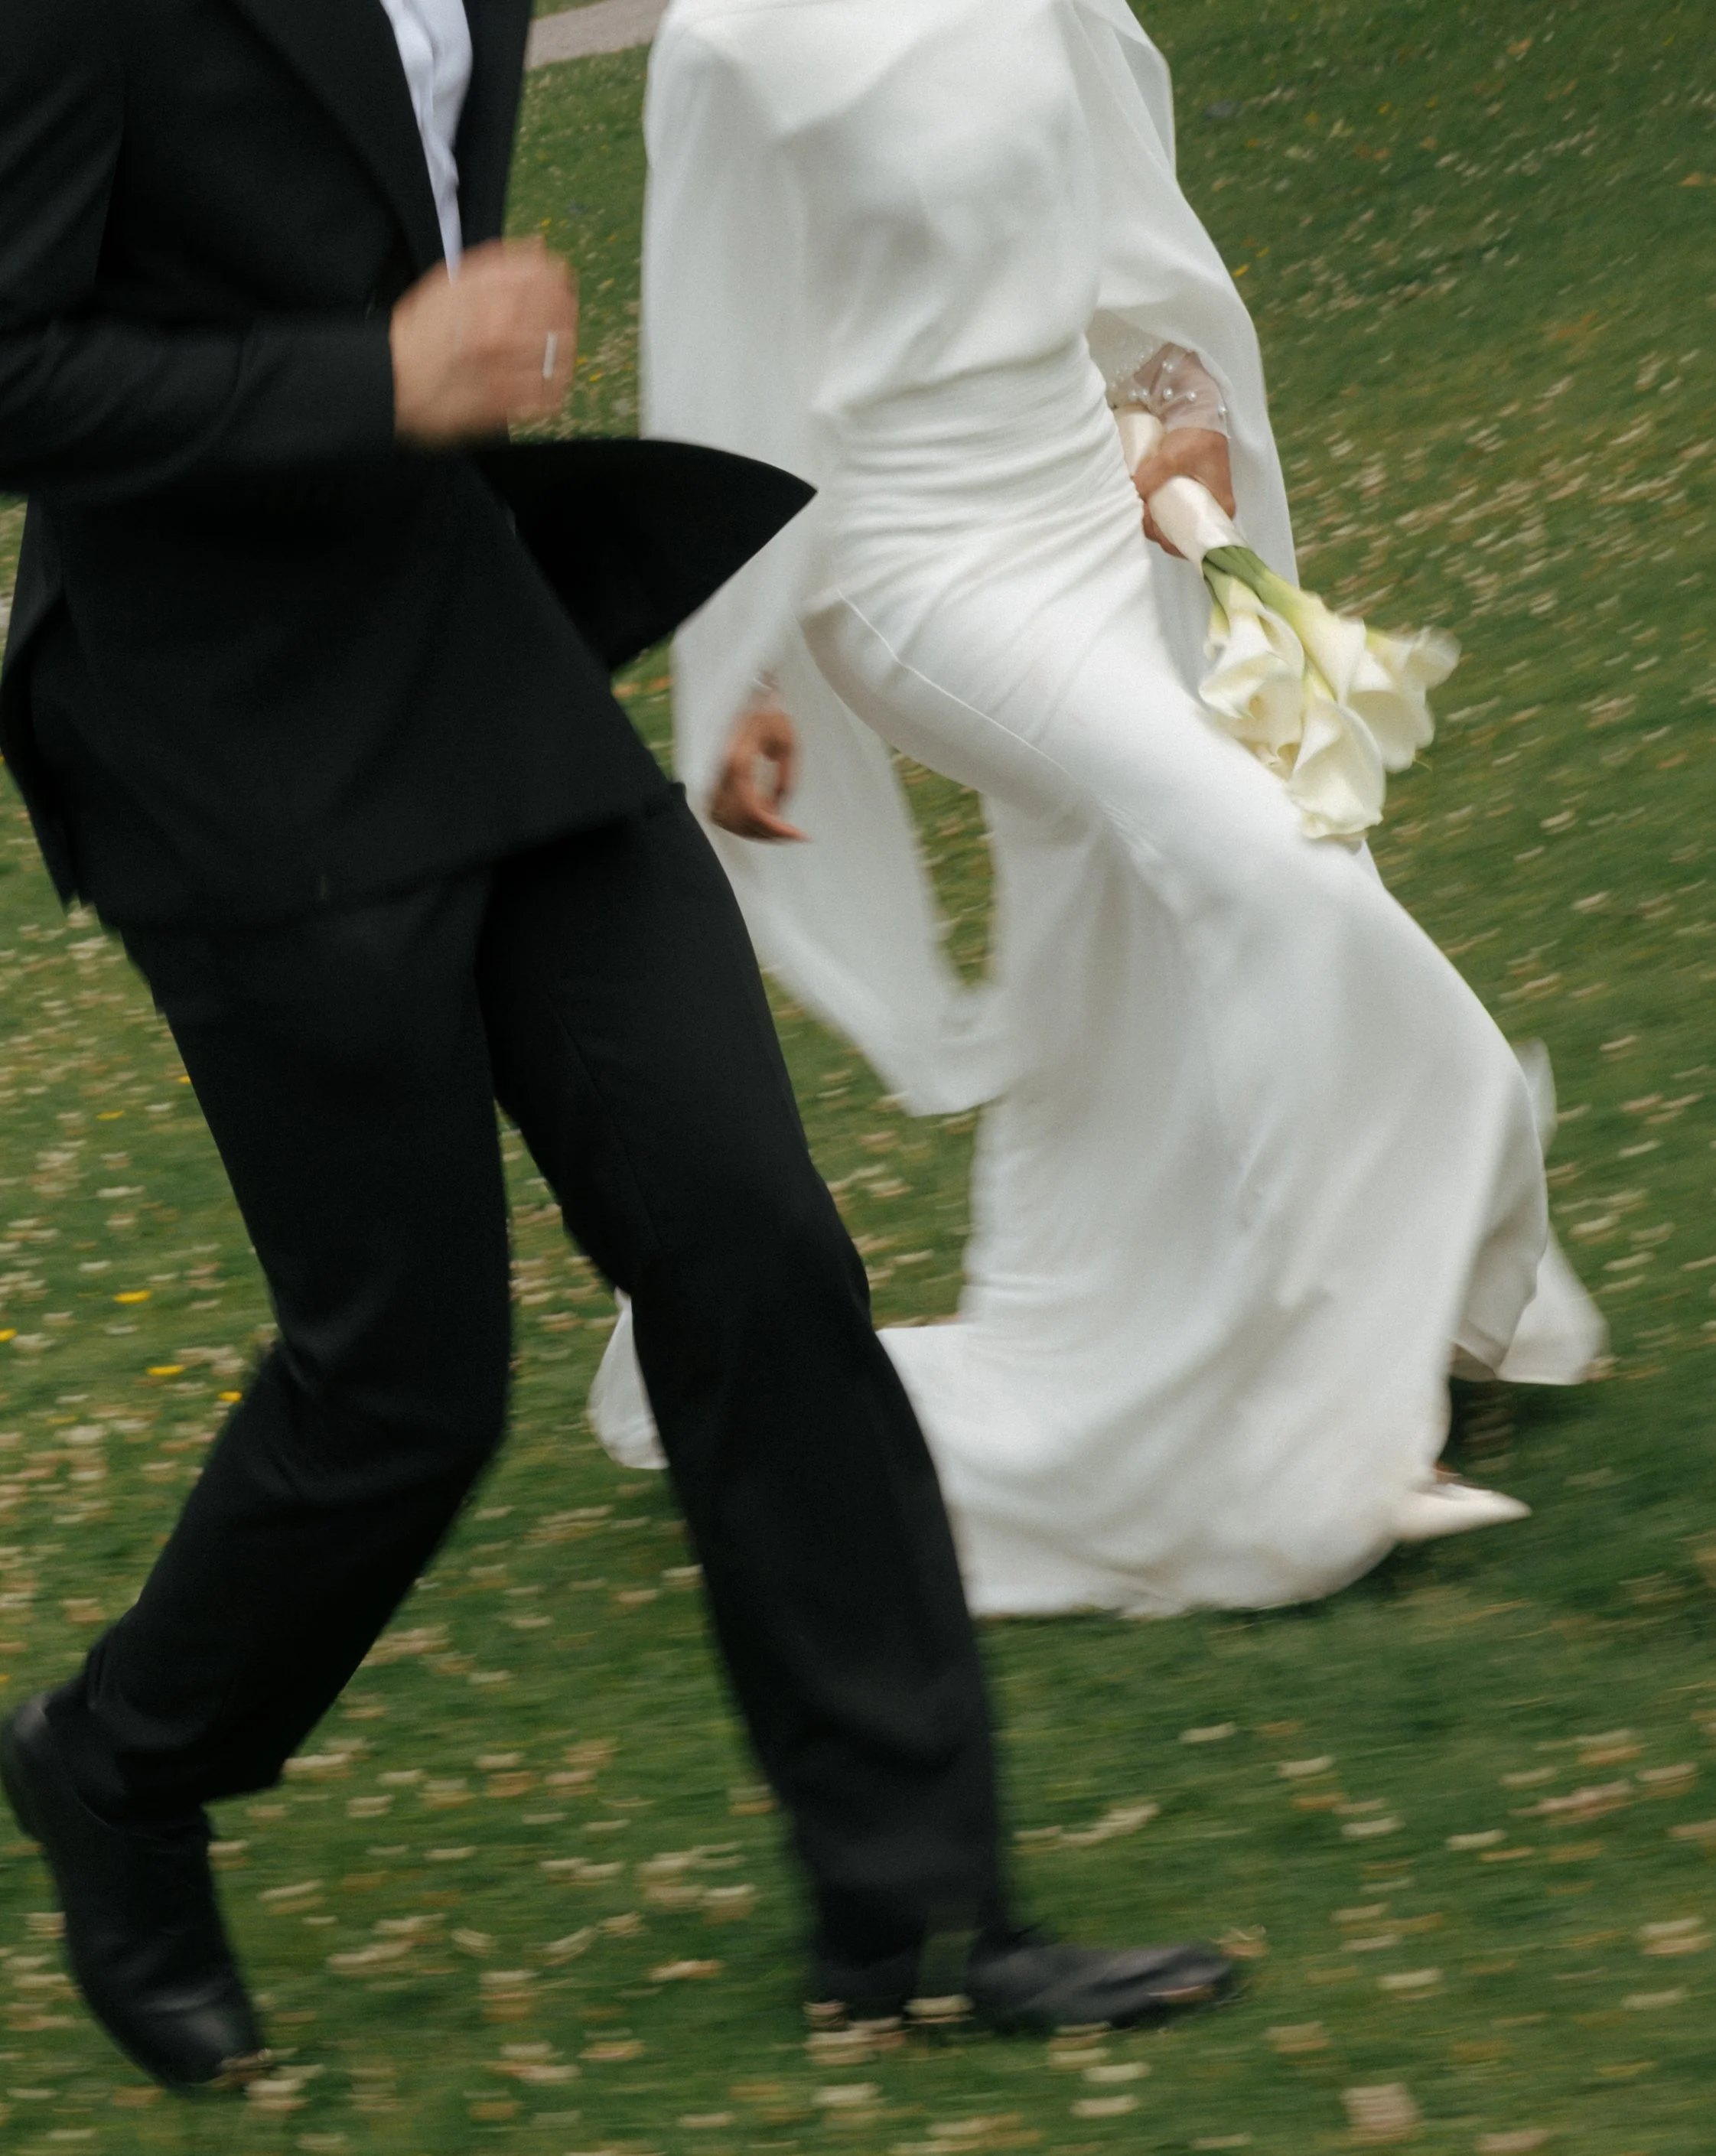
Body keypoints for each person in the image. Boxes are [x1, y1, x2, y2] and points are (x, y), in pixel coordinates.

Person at [0, 0, 1232, 2094]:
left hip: (477, 661)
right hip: (232, 742)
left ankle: (917, 1915)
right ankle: (117, 1766)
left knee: (757, 1245)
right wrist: (373, 375)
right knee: (404, 1387)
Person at [590, 0, 1607, 1617]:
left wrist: (1175, 406)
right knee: (1265, 869)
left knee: (1119, 918)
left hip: (1070, 494)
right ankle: (1302, 1413)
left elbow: (1128, 243)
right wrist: (746, 675)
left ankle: (1123, 1324)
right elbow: (716, 372)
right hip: (907, 565)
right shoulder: (725, 46)